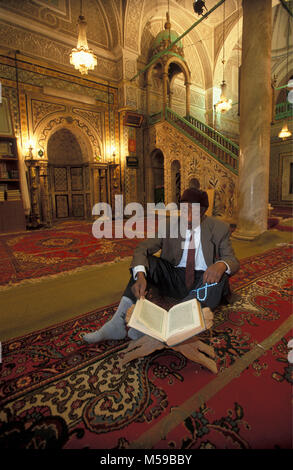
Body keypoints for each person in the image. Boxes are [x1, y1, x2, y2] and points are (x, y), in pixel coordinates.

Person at [83, 188, 240, 344]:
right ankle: (117, 323)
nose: (188, 215)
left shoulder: (219, 228)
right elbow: (142, 248)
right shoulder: (169, 225)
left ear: (204, 210)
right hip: (175, 276)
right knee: (147, 263)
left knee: (219, 277)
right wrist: (140, 275)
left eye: (194, 210)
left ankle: (166, 326)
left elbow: (231, 259)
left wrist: (220, 264)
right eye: (185, 210)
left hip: (203, 281)